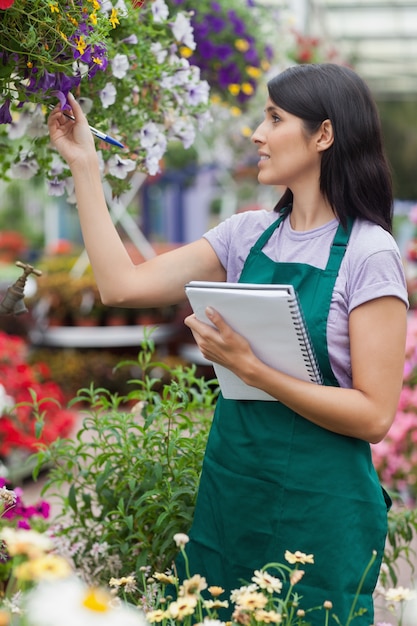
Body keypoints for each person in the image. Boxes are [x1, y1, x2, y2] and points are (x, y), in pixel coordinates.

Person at [48, 63, 408, 625]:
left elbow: (374, 416)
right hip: (234, 494)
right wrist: (86, 168)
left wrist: (253, 369)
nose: (257, 134)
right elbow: (121, 285)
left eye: (274, 118)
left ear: (323, 135)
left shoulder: (370, 254)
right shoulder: (246, 234)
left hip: (323, 512)